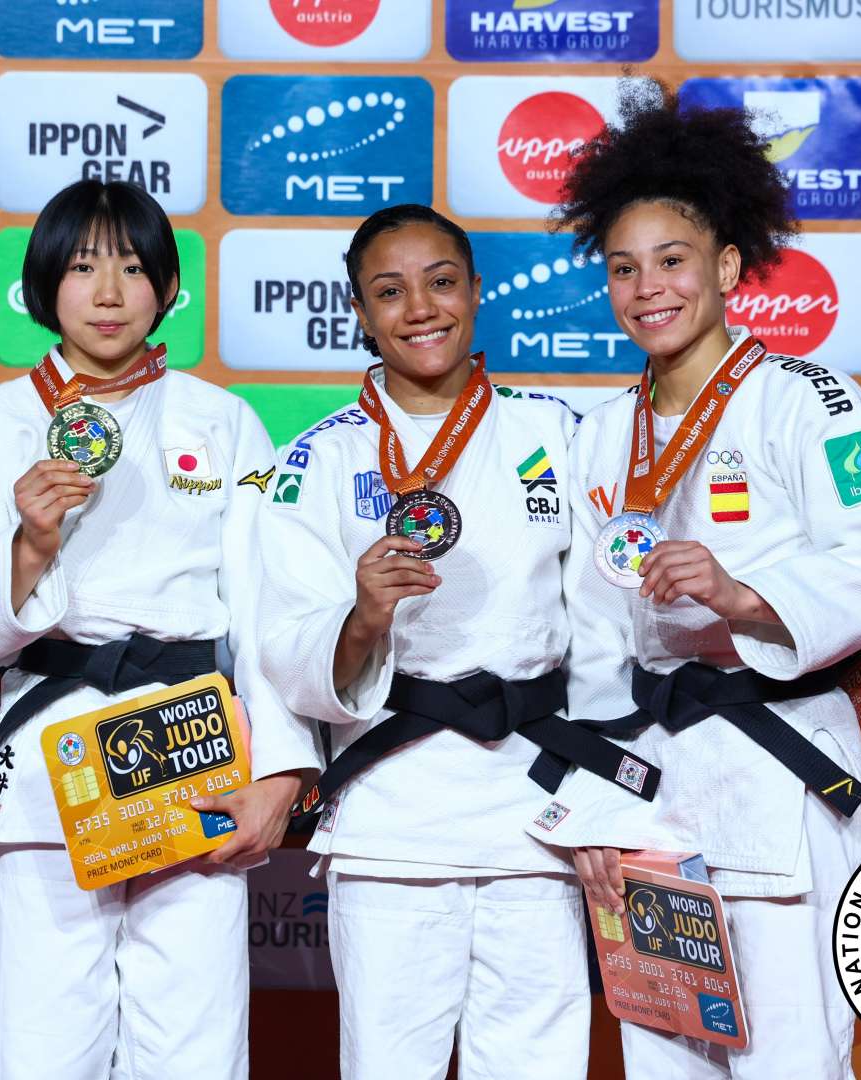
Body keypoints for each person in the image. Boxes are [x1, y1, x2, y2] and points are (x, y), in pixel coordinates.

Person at [0, 179, 320, 1080]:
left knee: (196, 1050)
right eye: (83, 268)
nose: (107, 293)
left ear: (168, 288)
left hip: (195, 752)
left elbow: (268, 606)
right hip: (49, 760)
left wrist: (284, 770)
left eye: (133, 269)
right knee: (46, 1049)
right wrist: (28, 545)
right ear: (43, 284)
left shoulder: (222, 420)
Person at [549, 83, 861, 1077]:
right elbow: (593, 640)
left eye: (672, 260)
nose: (648, 288)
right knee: (662, 1061)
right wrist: (595, 806)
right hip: (654, 800)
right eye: (623, 268)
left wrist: (740, 595)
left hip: (780, 775)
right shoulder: (602, 435)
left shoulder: (809, 403)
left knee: (793, 1060)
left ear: (725, 264)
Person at [257, 204, 655, 1080]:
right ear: (359, 312)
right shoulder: (315, 461)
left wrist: (599, 801)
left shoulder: (555, 433)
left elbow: (606, 630)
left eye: (440, 283)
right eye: (389, 292)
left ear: (476, 291)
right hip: (392, 818)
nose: (420, 309)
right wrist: (363, 617)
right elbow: (283, 648)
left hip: (534, 814)